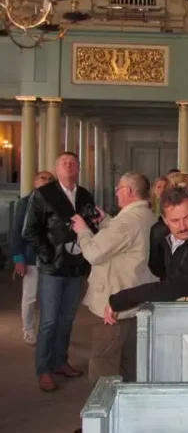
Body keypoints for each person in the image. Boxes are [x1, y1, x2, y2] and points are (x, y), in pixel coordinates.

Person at [71, 173, 158, 383]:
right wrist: (106, 222)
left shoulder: (126, 222)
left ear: (128, 191)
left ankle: (105, 404)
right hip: (135, 297)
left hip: (114, 303)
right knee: (130, 362)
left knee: (104, 363)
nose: (116, 193)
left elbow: (94, 253)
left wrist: (82, 231)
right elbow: (125, 240)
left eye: (119, 189)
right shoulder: (148, 216)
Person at [22, 152, 97, 392]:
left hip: (76, 265)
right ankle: (44, 369)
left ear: (79, 168)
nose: (69, 166)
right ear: (56, 169)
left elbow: (92, 224)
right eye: (64, 162)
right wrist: (47, 255)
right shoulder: (43, 194)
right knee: (49, 320)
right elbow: (29, 230)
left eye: (73, 162)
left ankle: (60, 361)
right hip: (52, 267)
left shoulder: (84, 194)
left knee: (66, 318)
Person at [103, 188, 188, 318]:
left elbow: (175, 289)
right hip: (174, 311)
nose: (183, 226)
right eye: (175, 221)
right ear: (165, 220)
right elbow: (157, 269)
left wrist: (121, 299)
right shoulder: (159, 232)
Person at [11, 171, 55, 345]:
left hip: (51, 257)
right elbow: (17, 231)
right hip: (31, 256)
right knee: (30, 296)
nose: (46, 181)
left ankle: (46, 330)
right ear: (35, 182)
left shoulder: (56, 203)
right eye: (42, 178)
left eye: (49, 179)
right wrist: (18, 258)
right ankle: (28, 329)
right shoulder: (24, 203)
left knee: (50, 296)